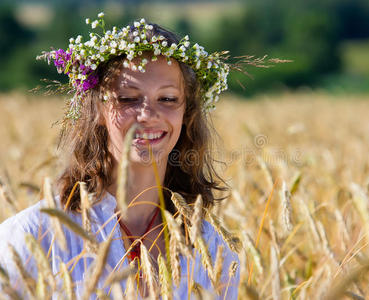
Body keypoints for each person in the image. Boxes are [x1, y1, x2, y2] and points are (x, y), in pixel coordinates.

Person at [0, 12, 239, 299]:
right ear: (98, 110)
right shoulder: (33, 237)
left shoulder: (213, 250)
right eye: (128, 98)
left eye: (167, 99)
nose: (148, 115)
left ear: (186, 113)